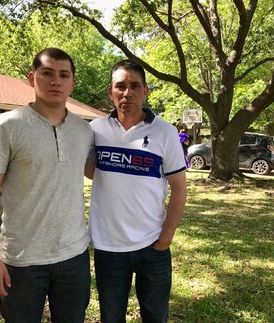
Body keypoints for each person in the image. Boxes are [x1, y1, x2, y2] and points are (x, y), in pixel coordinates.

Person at [0, 48, 94, 323]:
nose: (56, 81)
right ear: (32, 78)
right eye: (47, 73)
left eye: (64, 75)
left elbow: (98, 172)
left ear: (72, 83)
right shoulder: (6, 126)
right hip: (21, 260)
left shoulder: (84, 130)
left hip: (73, 255)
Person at [88, 60, 187, 323]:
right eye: (120, 86)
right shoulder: (95, 130)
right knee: (111, 318)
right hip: (108, 247)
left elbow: (179, 189)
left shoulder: (165, 132)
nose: (127, 92)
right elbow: (90, 171)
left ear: (145, 91)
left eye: (134, 86)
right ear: (111, 92)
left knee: (155, 317)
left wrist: (165, 238)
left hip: (152, 245)